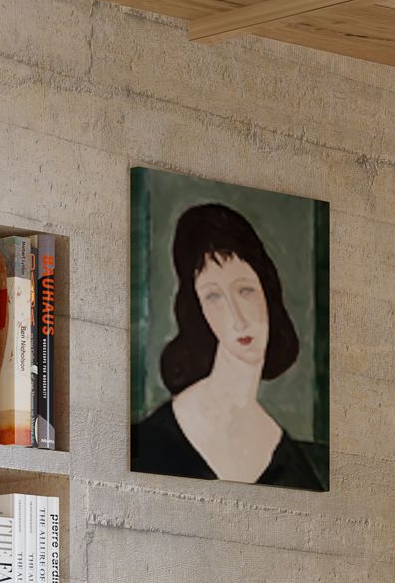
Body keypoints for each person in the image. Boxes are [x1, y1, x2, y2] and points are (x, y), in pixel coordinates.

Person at [131, 202, 327, 488]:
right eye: (214, 297)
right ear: (198, 310)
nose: (238, 318)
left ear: (267, 290)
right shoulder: (148, 442)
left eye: (245, 290)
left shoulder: (305, 467)